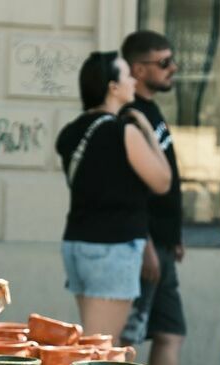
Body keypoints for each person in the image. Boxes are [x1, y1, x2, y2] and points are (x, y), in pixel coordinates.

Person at [55, 51, 171, 342]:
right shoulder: (123, 132)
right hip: (112, 248)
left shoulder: (71, 132)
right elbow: (162, 181)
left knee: (94, 342)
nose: (133, 80)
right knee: (100, 350)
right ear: (113, 87)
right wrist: (146, 130)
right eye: (127, 75)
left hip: (77, 244)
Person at [119, 30, 186, 365]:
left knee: (170, 332)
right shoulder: (132, 117)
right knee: (128, 338)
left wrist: (174, 236)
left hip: (162, 244)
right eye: (163, 63)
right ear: (139, 69)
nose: (172, 68)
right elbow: (131, 190)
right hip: (143, 246)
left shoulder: (152, 111)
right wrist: (144, 242)